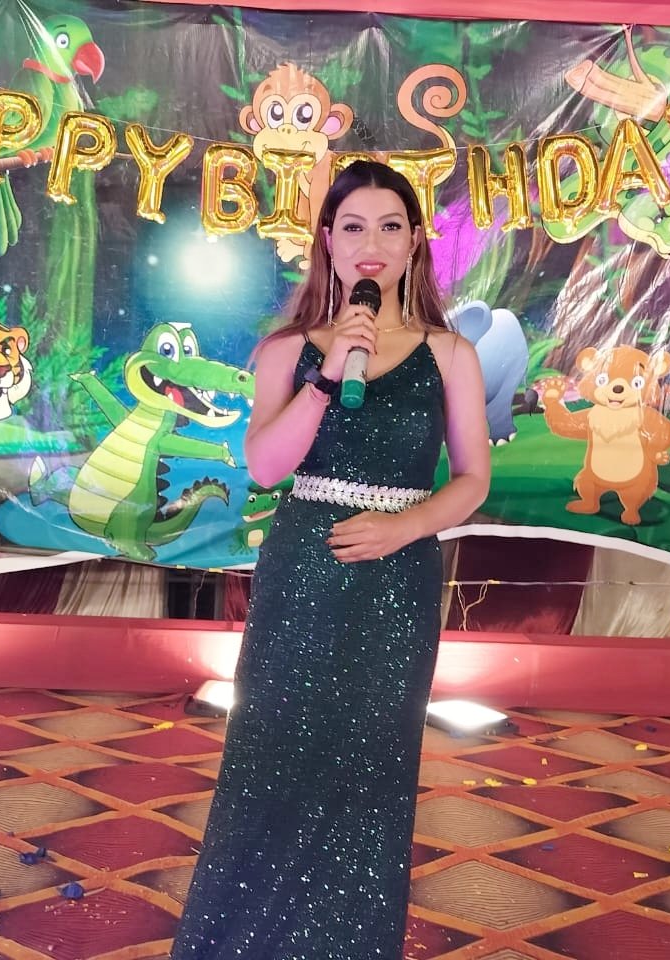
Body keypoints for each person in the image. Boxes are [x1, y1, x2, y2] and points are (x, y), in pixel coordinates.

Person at [169, 160, 490, 959]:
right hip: (302, 578)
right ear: (327, 241)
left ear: (415, 242)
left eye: (389, 226)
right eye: (353, 226)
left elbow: (473, 481)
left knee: (372, 768)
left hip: (396, 584)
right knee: (272, 756)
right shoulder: (288, 350)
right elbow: (266, 467)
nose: (370, 243)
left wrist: (404, 528)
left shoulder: (451, 353)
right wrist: (324, 377)